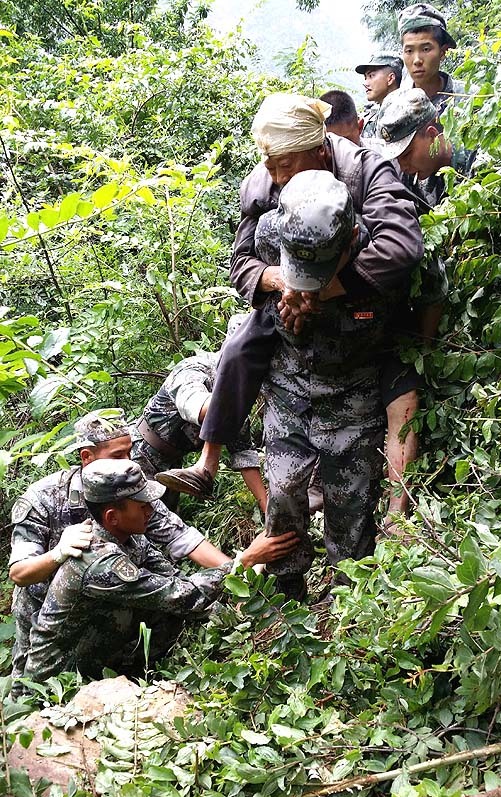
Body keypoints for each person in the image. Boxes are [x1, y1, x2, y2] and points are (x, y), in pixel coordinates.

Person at [157, 92, 423, 542]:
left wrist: (324, 286)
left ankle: (352, 577)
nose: (278, 178)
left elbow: (399, 247)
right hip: (289, 363)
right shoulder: (263, 185)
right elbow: (241, 264)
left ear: (319, 150)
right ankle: (215, 468)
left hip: (355, 360)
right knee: (282, 495)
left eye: (287, 165)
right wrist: (283, 282)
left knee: (349, 511)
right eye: (271, 166)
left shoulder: (365, 172)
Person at [9, 410, 290, 684]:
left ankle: (125, 671)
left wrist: (242, 584)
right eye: (117, 456)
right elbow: (20, 573)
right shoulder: (50, 504)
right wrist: (245, 561)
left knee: (162, 612)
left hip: (98, 614)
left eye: (129, 452)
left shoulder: (131, 512)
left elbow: (180, 557)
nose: (128, 462)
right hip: (48, 640)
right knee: (33, 678)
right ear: (87, 457)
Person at [258, 170, 390, 600]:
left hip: (353, 391)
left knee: (349, 501)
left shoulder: (382, 253)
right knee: (282, 490)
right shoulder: (270, 232)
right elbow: (245, 273)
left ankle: (347, 599)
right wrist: (283, 287)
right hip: (290, 384)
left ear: (349, 238)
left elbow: (428, 297)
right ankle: (287, 589)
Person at [133, 316, 267, 513]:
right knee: (136, 519)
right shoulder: (194, 369)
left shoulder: (239, 401)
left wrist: (267, 508)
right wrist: (236, 388)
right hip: (140, 453)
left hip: (173, 466)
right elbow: (194, 404)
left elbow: (244, 456)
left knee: (164, 522)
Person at [376, 88, 477, 207]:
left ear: (432, 135)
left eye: (407, 154)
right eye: (397, 158)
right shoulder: (416, 178)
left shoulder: (478, 162)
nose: (403, 167)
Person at [398, 3, 465, 117]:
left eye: (425, 49)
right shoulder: (396, 106)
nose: (417, 60)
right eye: (409, 51)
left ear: (443, 52)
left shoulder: (468, 97)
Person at [353, 54, 403, 140]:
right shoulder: (375, 111)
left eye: (371, 76)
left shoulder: (401, 113)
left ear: (390, 79)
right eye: (365, 78)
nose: (365, 83)